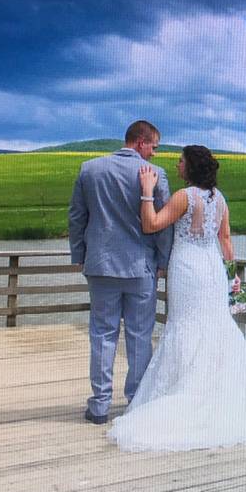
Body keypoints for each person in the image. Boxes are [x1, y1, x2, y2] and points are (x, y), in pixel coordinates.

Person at [108, 145, 246, 451]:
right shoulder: (219, 199)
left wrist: (146, 191)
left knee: (184, 324)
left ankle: (186, 392)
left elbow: (151, 224)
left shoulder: (185, 196)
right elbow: (226, 240)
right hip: (211, 269)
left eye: (181, 161)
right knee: (214, 327)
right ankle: (219, 393)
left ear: (191, 167)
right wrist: (232, 278)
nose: (177, 165)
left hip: (188, 268)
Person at [68, 120, 174, 425]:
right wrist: (163, 262)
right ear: (140, 142)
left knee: (102, 334)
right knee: (139, 335)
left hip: (100, 265)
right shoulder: (156, 175)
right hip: (141, 267)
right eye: (153, 146)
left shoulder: (90, 170)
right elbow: (162, 225)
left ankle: (99, 405)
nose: (154, 153)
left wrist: (79, 254)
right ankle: (136, 400)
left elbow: (77, 217)